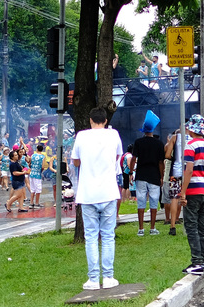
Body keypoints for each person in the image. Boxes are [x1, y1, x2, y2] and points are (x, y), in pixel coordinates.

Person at [70, 106, 123, 290]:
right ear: (106, 120)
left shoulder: (81, 136)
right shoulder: (114, 134)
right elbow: (117, 156)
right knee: (108, 236)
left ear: (90, 120)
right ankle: (108, 277)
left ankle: (93, 279)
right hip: (109, 192)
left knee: (91, 237)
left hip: (88, 194)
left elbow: (76, 161)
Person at [179, 115, 204, 274]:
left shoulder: (190, 145)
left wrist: (183, 192)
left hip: (193, 190)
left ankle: (197, 262)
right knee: (202, 226)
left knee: (191, 226)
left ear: (191, 129)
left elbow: (189, 170)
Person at [130, 119, 164, 235]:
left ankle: (141, 228)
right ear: (153, 129)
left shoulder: (138, 142)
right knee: (154, 202)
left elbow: (134, 158)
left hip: (141, 174)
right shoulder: (159, 143)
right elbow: (161, 162)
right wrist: (161, 176)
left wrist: (131, 172)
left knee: (141, 201)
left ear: (143, 130)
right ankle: (152, 228)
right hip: (154, 175)